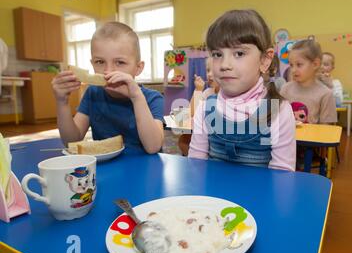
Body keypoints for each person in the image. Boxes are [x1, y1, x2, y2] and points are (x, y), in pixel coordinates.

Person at [188, 9, 296, 171]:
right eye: (217, 54)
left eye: (239, 53)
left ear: (265, 60)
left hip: (259, 196)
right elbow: (196, 165)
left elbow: (281, 175)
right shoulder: (205, 108)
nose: (225, 64)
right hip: (212, 195)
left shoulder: (277, 110)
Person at [52, 22, 164, 154]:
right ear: (92, 63)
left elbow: (153, 147)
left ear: (138, 68)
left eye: (120, 62)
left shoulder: (153, 98)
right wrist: (62, 102)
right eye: (100, 62)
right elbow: (71, 140)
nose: (108, 71)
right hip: (104, 169)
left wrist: (137, 97)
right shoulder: (93, 94)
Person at [280, 37, 337, 125]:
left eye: (299, 64)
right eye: (291, 65)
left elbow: (327, 130)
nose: (293, 70)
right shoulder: (285, 89)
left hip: (312, 139)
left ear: (315, 64)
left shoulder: (326, 94)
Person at [178, 57, 220, 156]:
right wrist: (198, 89)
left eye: (213, 71)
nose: (209, 74)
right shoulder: (207, 92)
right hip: (203, 133)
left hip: (217, 136)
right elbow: (190, 114)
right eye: (208, 70)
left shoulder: (229, 94)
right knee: (183, 140)